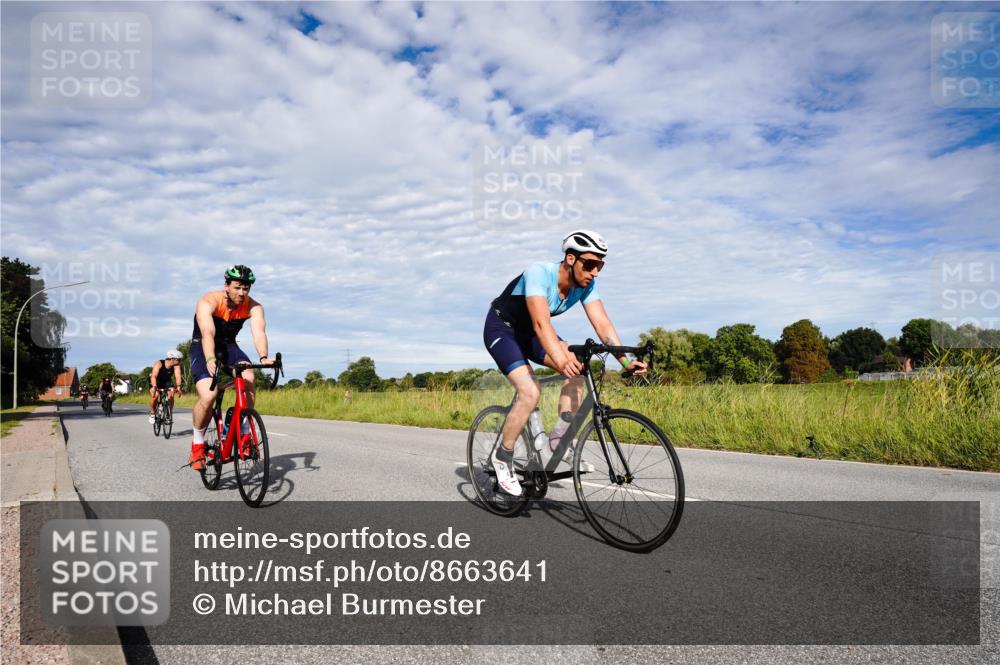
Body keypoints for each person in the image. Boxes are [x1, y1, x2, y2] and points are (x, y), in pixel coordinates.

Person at [483, 230, 647, 495]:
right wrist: (560, 359)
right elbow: (541, 323)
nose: (595, 272)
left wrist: (625, 361)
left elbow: (602, 324)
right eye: (590, 264)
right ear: (571, 259)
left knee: (578, 370)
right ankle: (502, 456)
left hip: (531, 333)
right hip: (502, 329)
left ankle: (559, 441)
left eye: (600, 266)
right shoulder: (538, 273)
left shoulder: (585, 286)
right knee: (530, 390)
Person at [188, 265, 273, 471]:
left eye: (246, 288)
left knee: (249, 378)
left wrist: (263, 357)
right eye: (237, 287)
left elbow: (259, 332)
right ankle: (197, 444)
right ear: (226, 286)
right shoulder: (208, 301)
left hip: (229, 346)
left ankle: (241, 432)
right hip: (203, 345)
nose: (242, 293)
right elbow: (207, 332)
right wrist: (210, 357)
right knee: (209, 395)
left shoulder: (254, 307)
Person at [148, 350, 184, 424]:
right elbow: (154, 376)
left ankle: (169, 413)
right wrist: (154, 386)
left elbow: (178, 376)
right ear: (172, 359)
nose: (180, 362)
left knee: (171, 393)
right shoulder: (159, 363)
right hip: (156, 381)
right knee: (155, 395)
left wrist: (178, 387)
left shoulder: (176, 366)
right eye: (179, 360)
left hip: (167, 381)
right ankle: (152, 413)